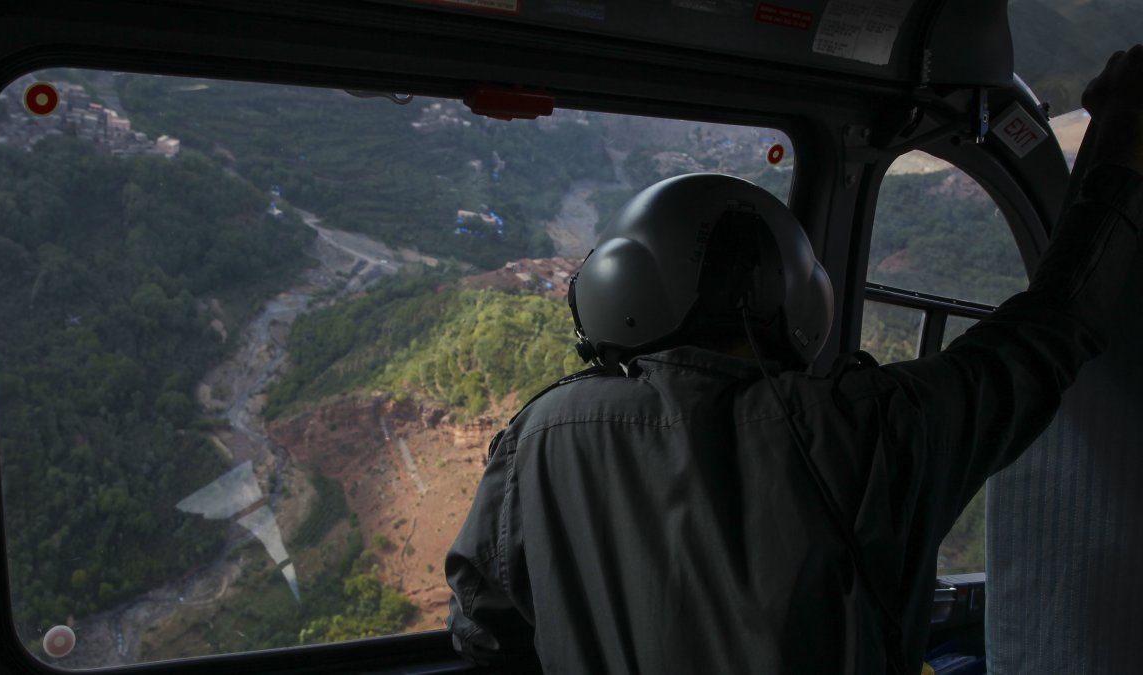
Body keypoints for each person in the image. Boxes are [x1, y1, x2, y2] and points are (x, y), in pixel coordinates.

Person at [445, 47, 1143, 674]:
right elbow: (1053, 325)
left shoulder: (536, 439)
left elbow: (485, 629)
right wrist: (1122, 131)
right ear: (799, 303)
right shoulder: (868, 428)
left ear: (616, 284)